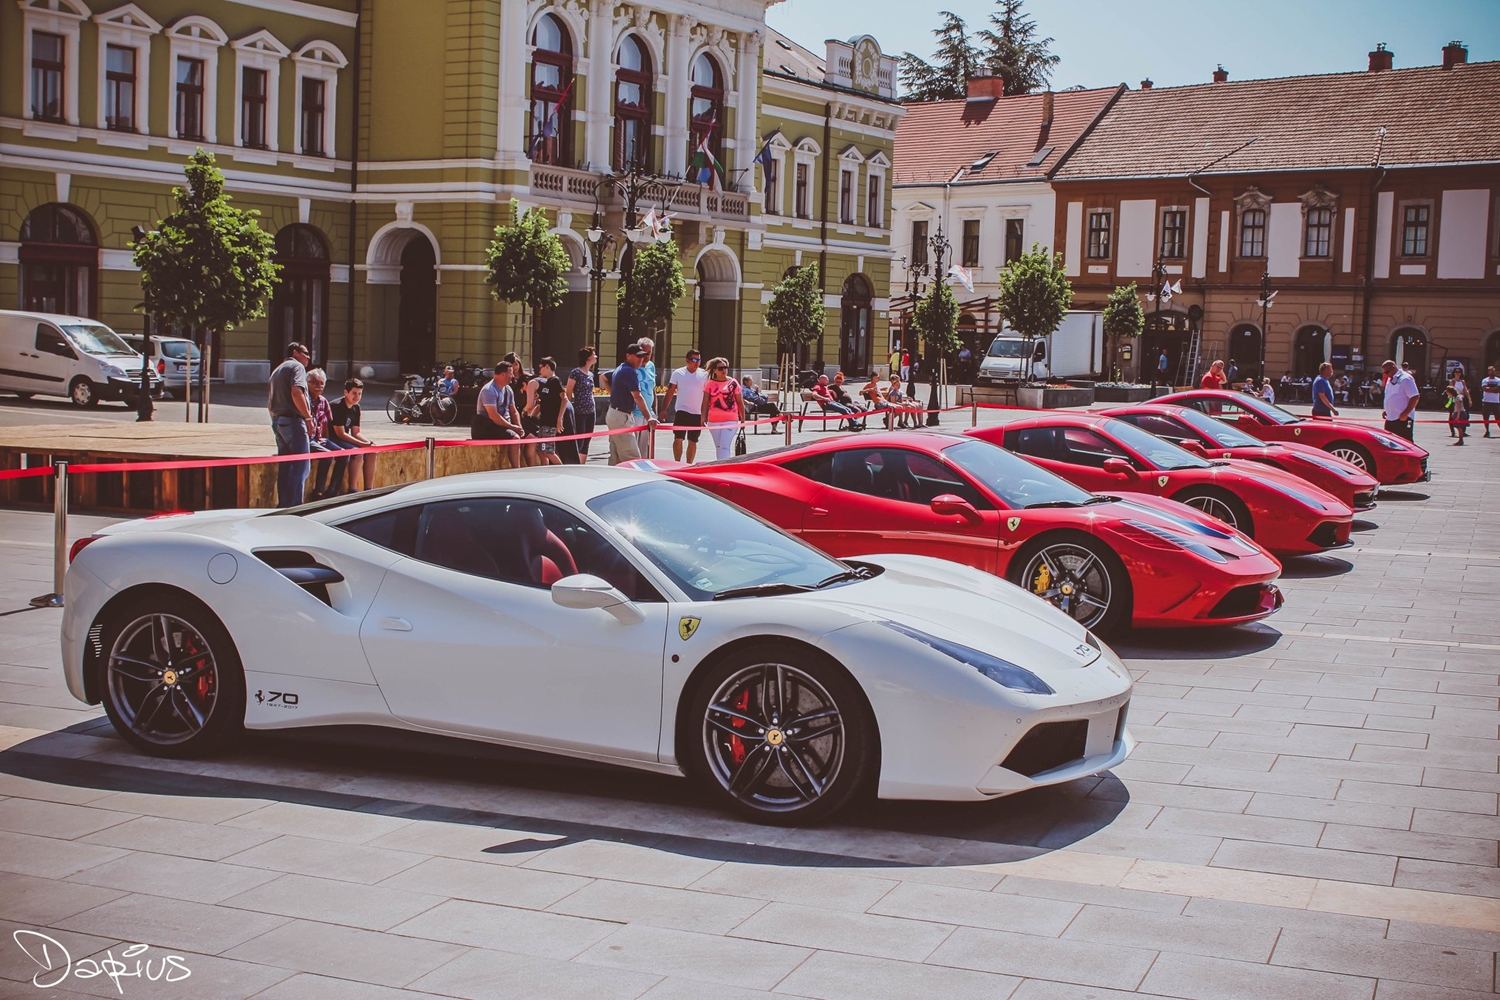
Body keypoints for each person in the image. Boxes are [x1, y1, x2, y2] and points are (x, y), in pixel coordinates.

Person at [268, 342, 314, 508]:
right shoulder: (297, 367)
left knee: (286, 466)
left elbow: (270, 401)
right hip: (294, 421)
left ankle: (284, 505)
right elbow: (297, 392)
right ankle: (295, 506)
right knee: (302, 466)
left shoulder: (277, 370)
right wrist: (308, 418)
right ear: (295, 352)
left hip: (278, 421)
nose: (308, 357)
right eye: (306, 353)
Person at [606, 345, 657, 465]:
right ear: (628, 356)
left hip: (615, 414)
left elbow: (603, 377)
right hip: (621, 417)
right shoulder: (629, 371)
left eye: (642, 356)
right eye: (638, 356)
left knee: (616, 457)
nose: (641, 359)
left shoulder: (621, 368)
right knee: (633, 459)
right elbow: (638, 397)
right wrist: (649, 417)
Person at [306, 369, 350, 501]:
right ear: (306, 383)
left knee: (344, 454)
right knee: (327, 456)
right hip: (308, 439)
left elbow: (325, 425)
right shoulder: (304, 400)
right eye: (314, 383)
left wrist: (326, 441)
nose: (318, 386)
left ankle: (332, 491)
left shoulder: (323, 401)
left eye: (322, 383)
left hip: (319, 439)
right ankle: (319, 491)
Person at [661, 349, 708, 463]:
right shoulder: (678, 373)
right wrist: (663, 410)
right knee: (678, 438)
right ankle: (677, 463)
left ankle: (688, 465)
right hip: (682, 411)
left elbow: (707, 396)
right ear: (687, 360)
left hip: (696, 413)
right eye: (694, 360)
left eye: (699, 360)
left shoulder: (704, 375)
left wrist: (704, 415)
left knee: (693, 440)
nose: (697, 362)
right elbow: (670, 391)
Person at [329, 378, 375, 493]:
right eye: (354, 393)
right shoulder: (337, 406)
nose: (357, 397)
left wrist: (368, 443)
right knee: (357, 453)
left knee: (373, 451)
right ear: (346, 392)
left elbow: (356, 432)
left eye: (360, 394)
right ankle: (353, 489)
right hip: (333, 438)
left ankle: (369, 489)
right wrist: (361, 444)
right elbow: (340, 433)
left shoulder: (356, 407)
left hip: (345, 437)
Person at [701, 357, 744, 459]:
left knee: (724, 446)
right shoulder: (710, 384)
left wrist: (743, 418)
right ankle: (720, 465)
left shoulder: (733, 383)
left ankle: (723, 467)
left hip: (730, 420)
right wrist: (703, 417)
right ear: (715, 370)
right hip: (713, 420)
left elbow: (739, 401)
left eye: (725, 368)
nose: (724, 370)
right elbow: (705, 402)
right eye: (720, 368)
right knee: (719, 446)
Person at [472, 361, 524, 446]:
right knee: (515, 438)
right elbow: (493, 415)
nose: (513, 376)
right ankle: (515, 460)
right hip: (489, 427)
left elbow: (513, 411)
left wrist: (519, 427)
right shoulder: (489, 390)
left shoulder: (508, 390)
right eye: (511, 373)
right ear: (503, 375)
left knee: (530, 437)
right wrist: (512, 427)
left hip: (505, 425)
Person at [528, 357, 566, 466]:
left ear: (547, 367)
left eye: (541, 368)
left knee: (548, 451)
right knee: (541, 449)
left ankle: (562, 471)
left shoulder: (555, 381)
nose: (539, 370)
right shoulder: (547, 383)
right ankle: (546, 469)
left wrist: (559, 419)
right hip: (544, 422)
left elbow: (564, 398)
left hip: (550, 423)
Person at [566, 346, 598, 462]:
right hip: (579, 411)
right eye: (594, 354)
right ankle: (575, 462)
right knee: (580, 439)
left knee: (587, 440)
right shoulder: (576, 373)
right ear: (588, 358)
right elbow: (568, 391)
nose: (596, 356)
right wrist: (570, 408)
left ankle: (582, 463)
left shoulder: (591, 374)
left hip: (591, 411)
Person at [1380, 359, 1420, 442]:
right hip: (1391, 417)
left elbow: (1415, 397)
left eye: (1387, 372)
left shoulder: (1405, 379)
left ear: (1394, 368)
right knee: (1390, 442)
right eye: (1384, 373)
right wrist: (1387, 409)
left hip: (1402, 418)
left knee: (1406, 442)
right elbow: (1391, 396)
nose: (1386, 375)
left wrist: (1405, 413)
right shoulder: (1390, 379)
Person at [634, 337, 657, 453]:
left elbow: (653, 389)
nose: (647, 356)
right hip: (635, 413)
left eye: (650, 353)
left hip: (649, 413)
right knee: (634, 448)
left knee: (646, 449)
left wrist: (655, 411)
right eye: (645, 352)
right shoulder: (633, 367)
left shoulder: (651, 366)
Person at [1449, 365, 1470, 439]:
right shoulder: (1452, 381)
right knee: (1453, 414)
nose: (1457, 373)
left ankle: (1463, 431)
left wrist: (1469, 399)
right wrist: (1457, 394)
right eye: (1456, 372)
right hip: (1454, 399)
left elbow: (1466, 390)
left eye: (1459, 372)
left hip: (1462, 399)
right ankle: (1452, 431)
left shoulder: (1462, 381)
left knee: (1464, 414)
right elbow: (1451, 389)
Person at [1480, 365, 1500, 437]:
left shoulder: (1498, 380)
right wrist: (1494, 389)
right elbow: (1485, 389)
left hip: (1495, 401)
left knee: (1498, 417)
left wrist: (1490, 389)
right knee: (1486, 417)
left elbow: (1498, 390)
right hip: (1486, 401)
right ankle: (1487, 431)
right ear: (1488, 372)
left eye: (1493, 371)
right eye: (1491, 371)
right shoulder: (1485, 380)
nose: (1492, 372)